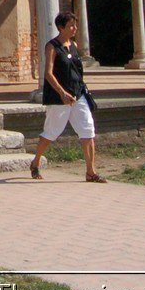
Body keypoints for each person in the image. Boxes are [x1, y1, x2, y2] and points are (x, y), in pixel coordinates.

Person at [30, 11, 101, 181]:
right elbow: (48, 73)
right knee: (52, 132)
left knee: (88, 130)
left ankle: (91, 172)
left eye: (75, 25)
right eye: (71, 25)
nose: (75, 28)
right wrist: (62, 92)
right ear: (61, 28)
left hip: (78, 94)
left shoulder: (74, 45)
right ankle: (35, 162)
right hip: (59, 97)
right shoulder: (52, 46)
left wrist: (77, 90)